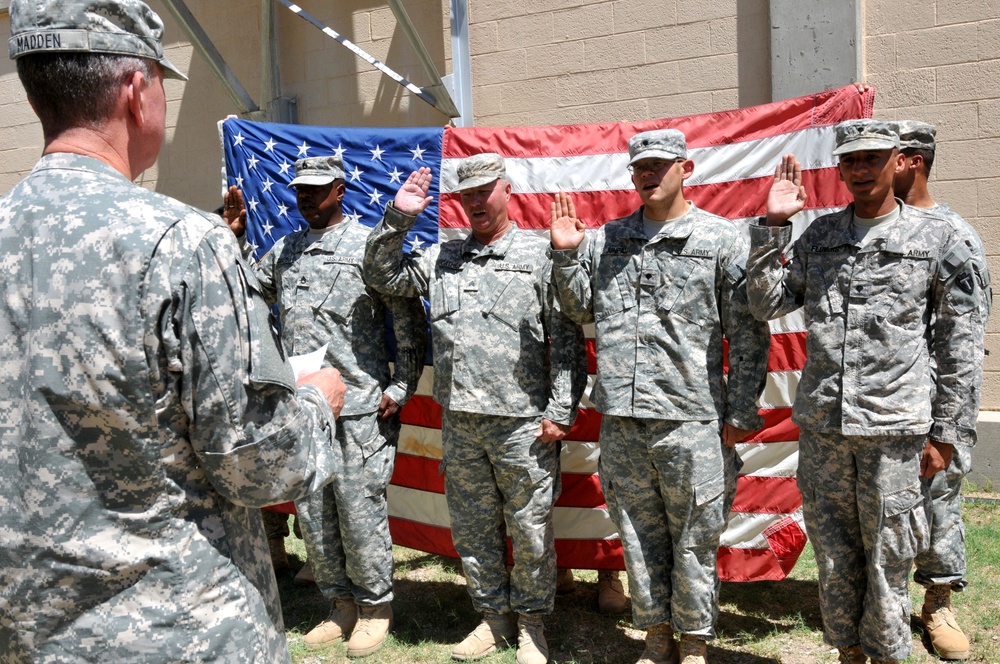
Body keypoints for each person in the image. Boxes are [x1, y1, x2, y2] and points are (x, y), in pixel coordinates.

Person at [0, 1, 348, 662]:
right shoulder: (181, 242)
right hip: (180, 631)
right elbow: (255, 464)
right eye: (161, 79)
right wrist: (318, 404)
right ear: (136, 90)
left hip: (30, 633)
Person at [747, 120, 985, 664]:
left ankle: (887, 653)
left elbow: (959, 348)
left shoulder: (937, 239)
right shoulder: (821, 235)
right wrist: (774, 226)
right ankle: (847, 651)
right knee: (834, 553)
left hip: (894, 430)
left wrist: (947, 434)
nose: (860, 170)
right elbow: (766, 304)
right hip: (826, 429)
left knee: (890, 554)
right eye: (850, 161)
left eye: (872, 159)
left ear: (898, 161)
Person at [549, 129, 771, 664]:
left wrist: (741, 410)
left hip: (691, 419)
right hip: (623, 423)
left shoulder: (720, 240)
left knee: (695, 536)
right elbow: (579, 310)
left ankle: (693, 644)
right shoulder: (607, 240)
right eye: (639, 168)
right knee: (639, 537)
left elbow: (745, 333)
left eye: (659, 165)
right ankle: (654, 637)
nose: (648, 175)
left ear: (685, 169)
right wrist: (565, 256)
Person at [363, 156, 587, 664]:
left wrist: (560, 409)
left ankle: (531, 626)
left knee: (530, 531)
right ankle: (493, 619)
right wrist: (399, 218)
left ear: (507, 191)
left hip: (524, 425)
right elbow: (381, 276)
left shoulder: (538, 253)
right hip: (461, 422)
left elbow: (566, 337)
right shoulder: (445, 256)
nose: (477, 202)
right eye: (468, 195)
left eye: (486, 191)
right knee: (473, 529)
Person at [223, 156, 426, 657]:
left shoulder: (367, 247)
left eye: (317, 189)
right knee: (314, 514)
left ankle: (375, 607)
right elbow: (245, 292)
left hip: (359, 408)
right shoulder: (286, 250)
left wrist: (401, 388)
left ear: (340, 190)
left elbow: (406, 319)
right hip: (304, 409)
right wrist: (233, 239)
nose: (306, 197)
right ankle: (339, 605)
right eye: (300, 190)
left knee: (359, 514)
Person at [891, 120, 991, 661]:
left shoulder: (953, 235)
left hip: (933, 398)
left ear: (912, 160)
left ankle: (937, 601)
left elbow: (965, 342)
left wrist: (948, 428)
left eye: (889, 155)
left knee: (937, 498)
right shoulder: (872, 227)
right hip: (880, 401)